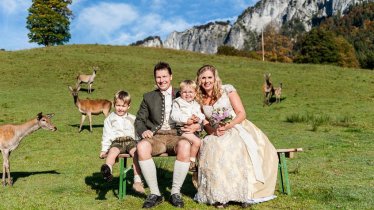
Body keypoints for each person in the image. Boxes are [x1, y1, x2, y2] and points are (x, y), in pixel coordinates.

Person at [194, 65, 278, 208]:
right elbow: (205, 121)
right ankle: (219, 194)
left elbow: (241, 113)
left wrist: (228, 125)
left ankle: (242, 193)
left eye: (209, 77)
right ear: (199, 80)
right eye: (203, 78)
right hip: (216, 131)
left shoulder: (227, 90)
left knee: (234, 146)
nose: (207, 81)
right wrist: (213, 131)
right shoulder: (199, 98)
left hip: (237, 127)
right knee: (211, 146)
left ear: (215, 79)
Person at [135, 62, 199, 208]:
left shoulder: (182, 92)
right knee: (142, 146)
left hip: (177, 135)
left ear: (171, 77)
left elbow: (197, 111)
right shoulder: (148, 97)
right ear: (155, 79)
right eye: (158, 77)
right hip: (156, 136)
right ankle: (155, 193)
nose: (161, 80)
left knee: (184, 145)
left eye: (164, 76)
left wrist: (197, 125)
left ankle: (175, 193)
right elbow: (139, 120)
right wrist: (143, 130)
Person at [99, 90, 144, 194]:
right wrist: (104, 150)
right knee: (113, 151)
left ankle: (137, 180)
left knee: (136, 153)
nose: (120, 108)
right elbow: (107, 135)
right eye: (118, 105)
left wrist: (139, 144)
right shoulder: (109, 119)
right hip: (117, 142)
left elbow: (137, 133)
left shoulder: (133, 118)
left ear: (128, 106)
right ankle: (107, 170)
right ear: (114, 104)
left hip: (130, 141)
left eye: (123, 106)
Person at [170, 80, 205, 172]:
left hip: (194, 130)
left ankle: (200, 166)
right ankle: (191, 162)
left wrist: (198, 118)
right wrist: (186, 119)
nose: (187, 94)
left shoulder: (196, 104)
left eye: (190, 92)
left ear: (195, 93)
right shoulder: (177, 102)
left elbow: (202, 115)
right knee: (197, 142)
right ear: (180, 93)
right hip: (182, 129)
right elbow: (174, 115)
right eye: (184, 92)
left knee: (202, 145)